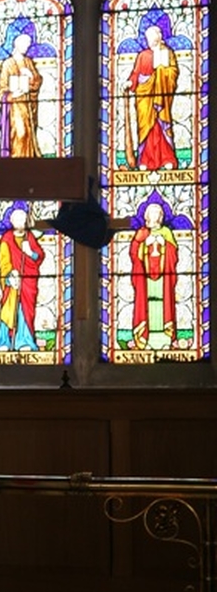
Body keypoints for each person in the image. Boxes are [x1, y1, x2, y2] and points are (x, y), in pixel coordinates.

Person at [124, 24, 179, 170]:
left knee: (160, 126)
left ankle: (166, 158)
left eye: (151, 37)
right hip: (144, 96)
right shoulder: (143, 55)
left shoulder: (168, 53)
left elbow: (173, 72)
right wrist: (130, 82)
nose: (149, 40)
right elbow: (136, 73)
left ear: (158, 37)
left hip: (161, 95)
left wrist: (161, 71)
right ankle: (145, 160)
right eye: (147, 37)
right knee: (145, 128)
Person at [129, 201, 178, 351]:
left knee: (163, 303)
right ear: (147, 216)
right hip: (145, 278)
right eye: (152, 213)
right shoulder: (142, 233)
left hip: (164, 277)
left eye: (158, 213)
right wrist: (143, 243)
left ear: (161, 216)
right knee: (146, 303)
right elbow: (133, 253)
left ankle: (166, 336)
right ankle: (144, 337)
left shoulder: (167, 233)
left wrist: (165, 244)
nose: (155, 216)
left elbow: (174, 255)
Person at [0, 206, 45, 352]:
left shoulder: (29, 237)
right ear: (11, 221)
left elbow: (39, 256)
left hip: (28, 281)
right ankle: (5, 341)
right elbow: (3, 260)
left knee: (25, 312)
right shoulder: (7, 239)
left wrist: (29, 252)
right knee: (9, 309)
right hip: (13, 281)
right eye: (17, 220)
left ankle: (24, 341)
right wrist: (10, 275)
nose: (20, 223)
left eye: (23, 220)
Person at [0, 31, 43, 158]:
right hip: (14, 108)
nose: (26, 47)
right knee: (19, 133)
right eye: (25, 44)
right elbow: (2, 89)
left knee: (28, 134)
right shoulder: (7, 64)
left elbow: (38, 81)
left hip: (28, 106)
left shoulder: (29, 62)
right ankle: (16, 162)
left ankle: (27, 162)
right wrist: (12, 95)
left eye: (28, 45)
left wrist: (31, 77)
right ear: (17, 44)